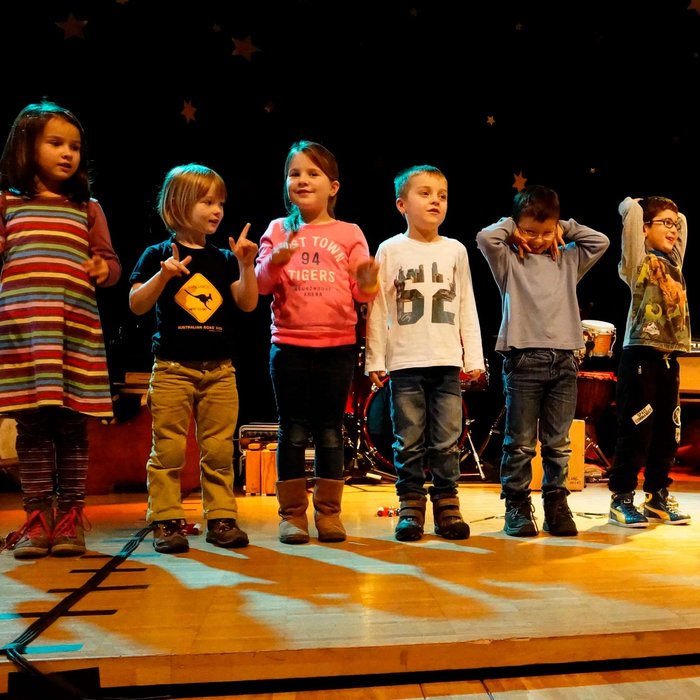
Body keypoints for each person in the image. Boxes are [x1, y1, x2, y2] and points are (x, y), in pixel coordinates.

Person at [0, 101, 121, 558]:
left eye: (74, 146)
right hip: (22, 335)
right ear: (25, 146)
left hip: (73, 334)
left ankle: (70, 518)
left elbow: (111, 264)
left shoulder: (86, 209)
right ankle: (35, 519)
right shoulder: (8, 204)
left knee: (71, 429)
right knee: (31, 427)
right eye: (55, 143)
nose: (67, 154)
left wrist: (100, 268)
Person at [129, 163, 258, 554]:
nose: (217, 210)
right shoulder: (157, 254)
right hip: (172, 369)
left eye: (219, 202)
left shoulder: (222, 257)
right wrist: (164, 276)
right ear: (179, 205)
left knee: (218, 449)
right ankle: (166, 520)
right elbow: (136, 305)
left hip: (219, 371)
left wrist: (246, 265)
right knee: (167, 449)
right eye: (206, 202)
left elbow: (248, 303)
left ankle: (221, 517)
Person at [255, 140, 379, 544]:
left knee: (329, 430)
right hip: (288, 346)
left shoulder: (349, 232)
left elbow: (364, 294)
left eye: (313, 173)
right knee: (291, 430)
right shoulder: (278, 229)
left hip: (337, 346)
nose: (303, 180)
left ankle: (329, 514)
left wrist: (368, 278)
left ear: (334, 186)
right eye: (295, 173)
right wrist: (273, 261)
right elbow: (259, 286)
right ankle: (292, 516)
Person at [476, 185, 609, 537]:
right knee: (519, 441)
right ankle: (517, 505)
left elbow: (601, 242)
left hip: (565, 359)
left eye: (545, 232)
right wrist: (512, 226)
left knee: (558, 442)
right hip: (523, 360)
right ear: (518, 227)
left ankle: (556, 502)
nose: (537, 239)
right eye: (529, 231)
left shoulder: (567, 259)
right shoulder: (508, 261)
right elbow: (486, 237)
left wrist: (563, 228)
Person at [364, 165, 486, 542]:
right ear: (401, 203)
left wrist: (474, 358)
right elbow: (379, 307)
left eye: (442, 195)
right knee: (409, 438)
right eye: (425, 193)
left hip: (446, 363)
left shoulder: (456, 250)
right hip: (405, 364)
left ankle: (448, 505)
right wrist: (375, 359)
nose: (436, 200)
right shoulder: (390, 249)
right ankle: (411, 504)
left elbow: (466, 304)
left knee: (448, 438)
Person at [607, 196, 692, 527]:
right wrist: (635, 205)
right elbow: (631, 217)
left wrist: (670, 215)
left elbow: (682, 221)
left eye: (674, 224)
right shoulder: (636, 263)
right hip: (640, 354)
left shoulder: (675, 263)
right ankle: (622, 497)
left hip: (669, 359)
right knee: (636, 430)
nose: (672, 229)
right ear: (644, 229)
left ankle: (657, 495)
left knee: (668, 432)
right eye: (664, 223)